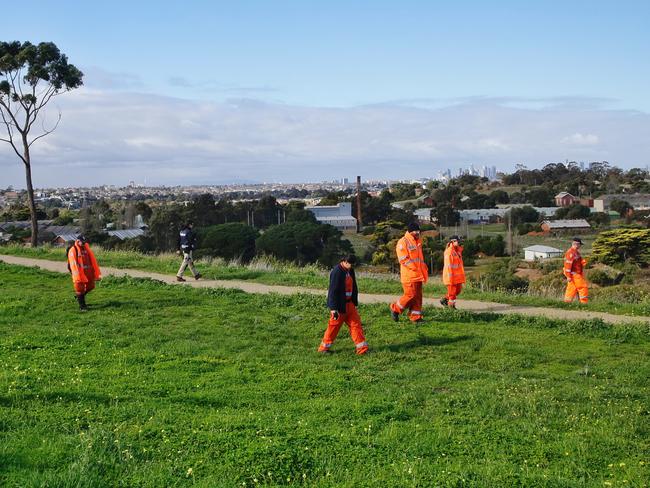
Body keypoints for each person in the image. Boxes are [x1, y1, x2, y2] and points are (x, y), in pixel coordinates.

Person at [318, 255, 369, 355]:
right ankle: (323, 349)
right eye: (349, 263)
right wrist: (333, 308)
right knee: (334, 327)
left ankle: (362, 349)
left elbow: (354, 286)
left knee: (356, 325)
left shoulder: (350, 270)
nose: (350, 266)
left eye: (352, 264)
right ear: (344, 261)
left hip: (350, 305)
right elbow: (332, 291)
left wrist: (354, 301)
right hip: (339, 306)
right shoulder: (337, 272)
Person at [390, 222, 428, 323]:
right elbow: (403, 259)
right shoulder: (403, 242)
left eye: (418, 231)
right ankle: (395, 309)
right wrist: (415, 268)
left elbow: (419, 259)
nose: (417, 232)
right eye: (415, 231)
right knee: (410, 296)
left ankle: (415, 317)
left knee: (418, 297)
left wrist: (423, 268)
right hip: (409, 276)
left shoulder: (417, 241)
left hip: (418, 275)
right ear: (410, 231)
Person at [67, 235, 102, 312]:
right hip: (78, 274)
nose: (83, 243)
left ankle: (79, 297)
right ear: (78, 241)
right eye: (82, 242)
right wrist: (75, 274)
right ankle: (82, 306)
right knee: (80, 289)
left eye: (84, 242)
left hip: (88, 272)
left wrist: (94, 272)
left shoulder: (86, 248)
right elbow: (72, 264)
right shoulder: (73, 250)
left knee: (91, 286)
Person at [441, 235, 465, 309]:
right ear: (453, 241)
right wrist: (450, 278)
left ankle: (445, 300)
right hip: (451, 277)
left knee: (457, 291)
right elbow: (448, 266)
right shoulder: (449, 252)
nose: (460, 242)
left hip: (457, 277)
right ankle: (451, 307)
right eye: (458, 241)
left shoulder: (457, 251)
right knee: (452, 293)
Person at [563, 237, 589, 304]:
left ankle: (567, 303)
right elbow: (568, 265)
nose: (580, 246)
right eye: (580, 245)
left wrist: (583, 262)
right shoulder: (571, 253)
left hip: (574, 274)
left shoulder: (575, 252)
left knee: (571, 289)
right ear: (577, 244)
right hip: (574, 274)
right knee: (583, 287)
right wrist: (568, 276)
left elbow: (579, 260)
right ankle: (584, 303)